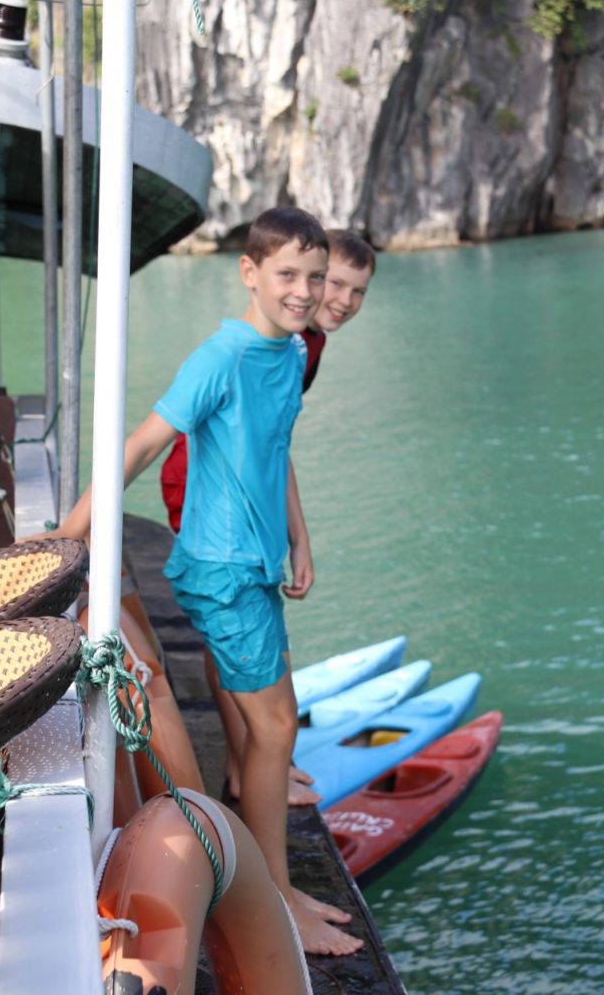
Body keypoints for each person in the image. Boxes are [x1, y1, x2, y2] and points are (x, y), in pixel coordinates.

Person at [43, 207, 362, 957]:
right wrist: (61, 542)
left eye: (316, 278)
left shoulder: (288, 355)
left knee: (264, 729)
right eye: (288, 274)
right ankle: (279, 897)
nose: (306, 290)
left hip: (255, 565)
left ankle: (275, 876)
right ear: (249, 273)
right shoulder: (222, 356)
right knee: (276, 727)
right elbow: (140, 447)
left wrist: (299, 537)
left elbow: (274, 450)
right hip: (220, 570)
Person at [159, 230, 377, 806]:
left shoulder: (309, 344)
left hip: (240, 483)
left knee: (233, 633)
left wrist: (299, 538)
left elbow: (276, 442)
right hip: (205, 484)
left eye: (358, 291)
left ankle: (251, 757)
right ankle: (249, 763)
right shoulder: (283, 334)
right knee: (225, 625)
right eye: (335, 283)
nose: (342, 300)